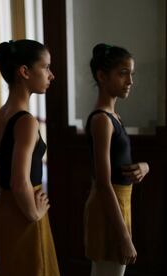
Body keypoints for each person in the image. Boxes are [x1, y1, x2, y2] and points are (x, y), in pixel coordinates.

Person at [0, 39, 60, 276]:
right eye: (45, 67)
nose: (51, 75)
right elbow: (20, 181)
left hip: (4, 210)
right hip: (26, 213)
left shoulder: (0, 116)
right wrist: (34, 213)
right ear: (24, 72)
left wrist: (5, 189)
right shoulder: (26, 121)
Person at [84, 43, 149, 276]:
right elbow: (103, 183)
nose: (130, 81)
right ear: (102, 76)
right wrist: (124, 237)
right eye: (123, 73)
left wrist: (146, 166)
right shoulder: (102, 119)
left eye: (131, 73)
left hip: (120, 201)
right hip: (108, 206)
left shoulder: (113, 116)